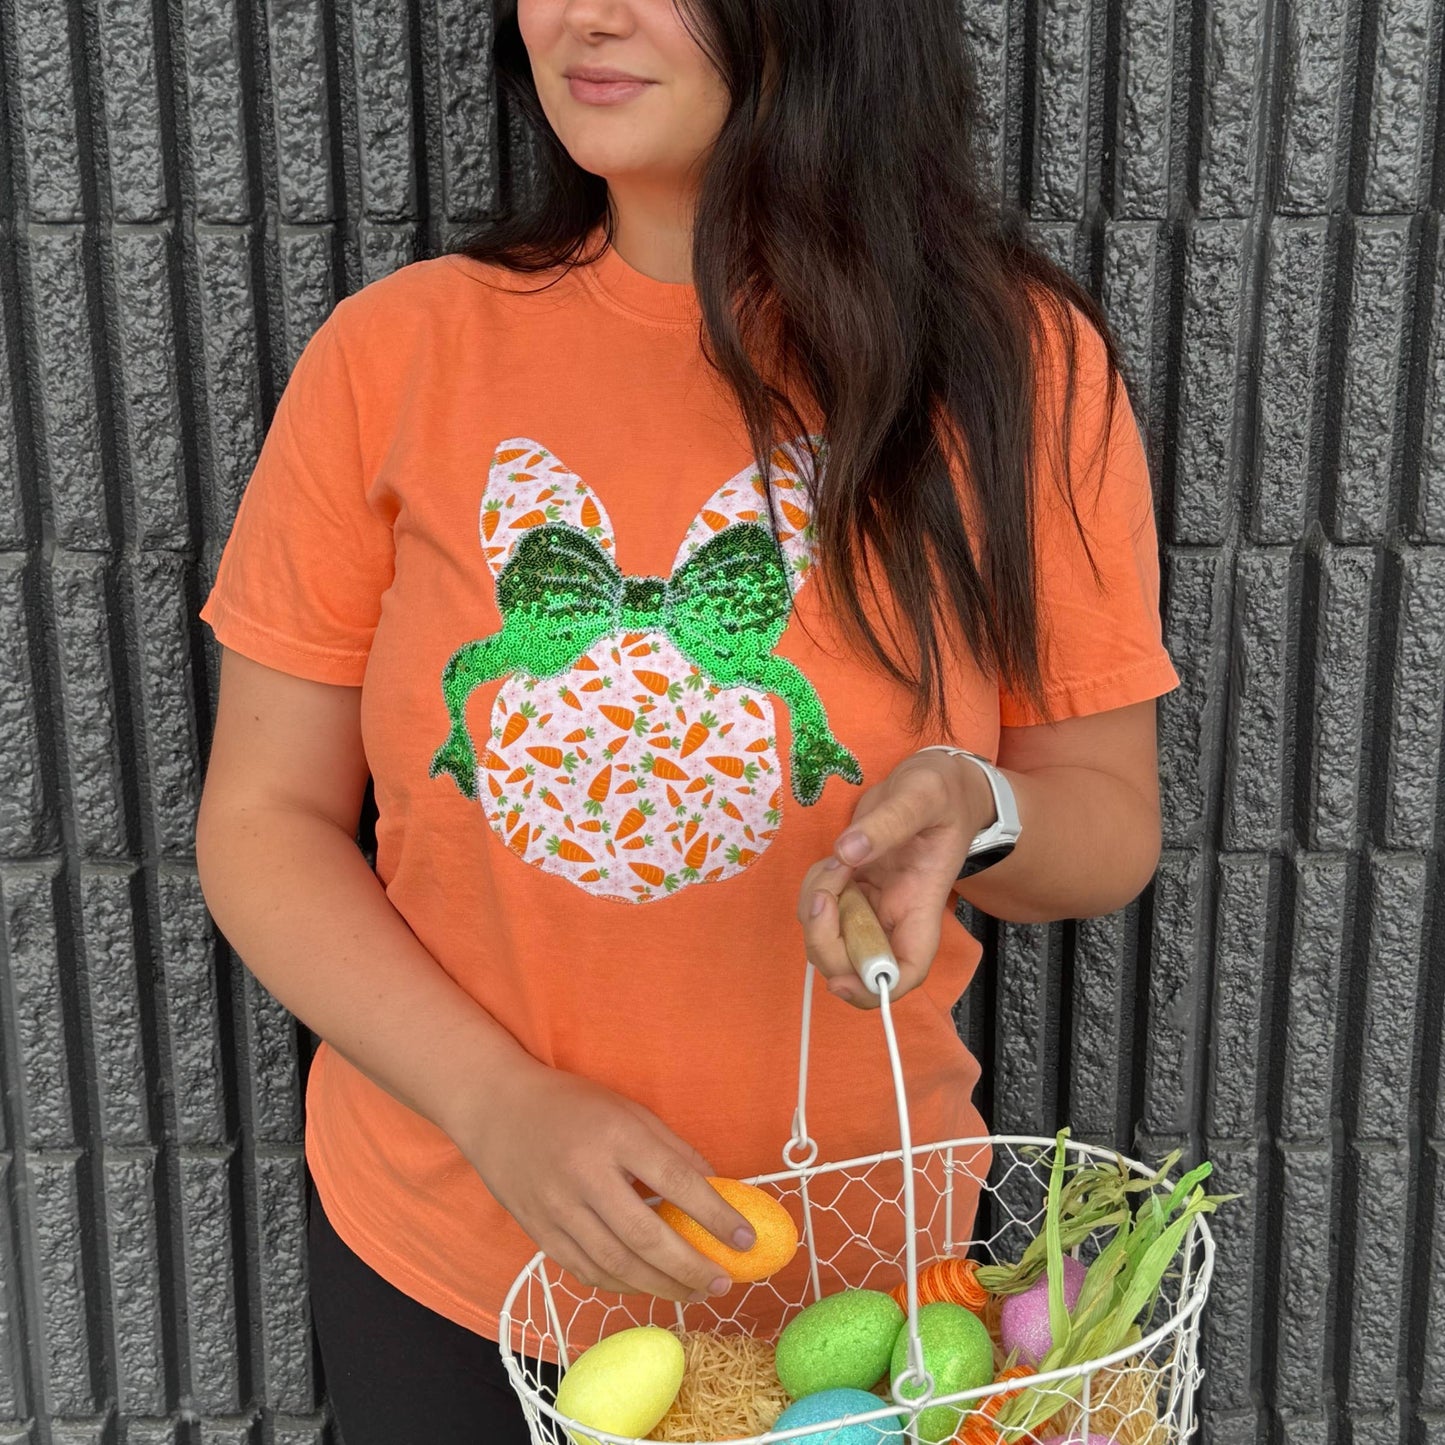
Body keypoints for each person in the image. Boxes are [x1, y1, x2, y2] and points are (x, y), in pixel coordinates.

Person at [194, 0, 1178, 1440]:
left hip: (857, 1288)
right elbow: (263, 819)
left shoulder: (1016, 367)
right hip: (451, 1256)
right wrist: (496, 1106)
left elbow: (1105, 818)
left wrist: (974, 803)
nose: (585, 15)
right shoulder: (397, 353)